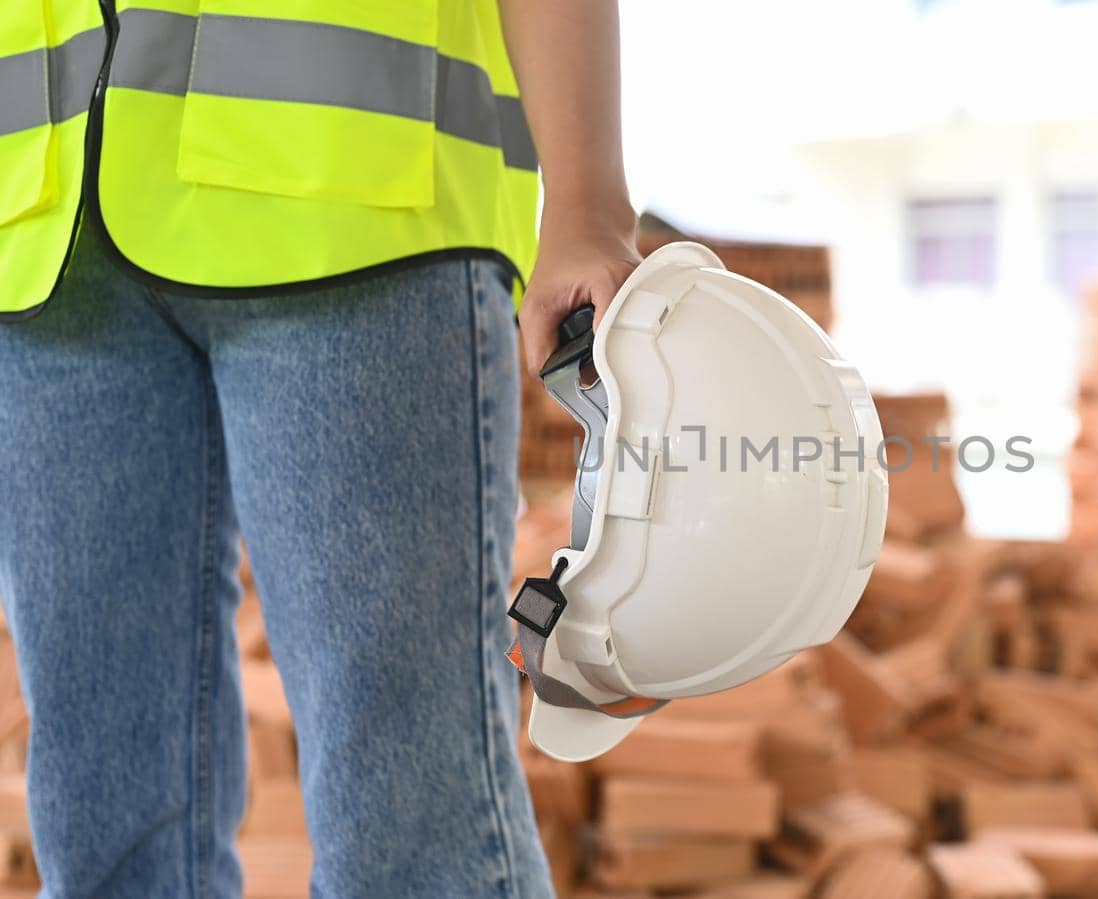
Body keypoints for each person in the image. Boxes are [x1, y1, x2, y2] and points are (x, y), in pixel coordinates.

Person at [0, 1, 636, 895]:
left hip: (352, 205)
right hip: (40, 233)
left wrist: (588, 198)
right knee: (100, 823)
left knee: (406, 823)